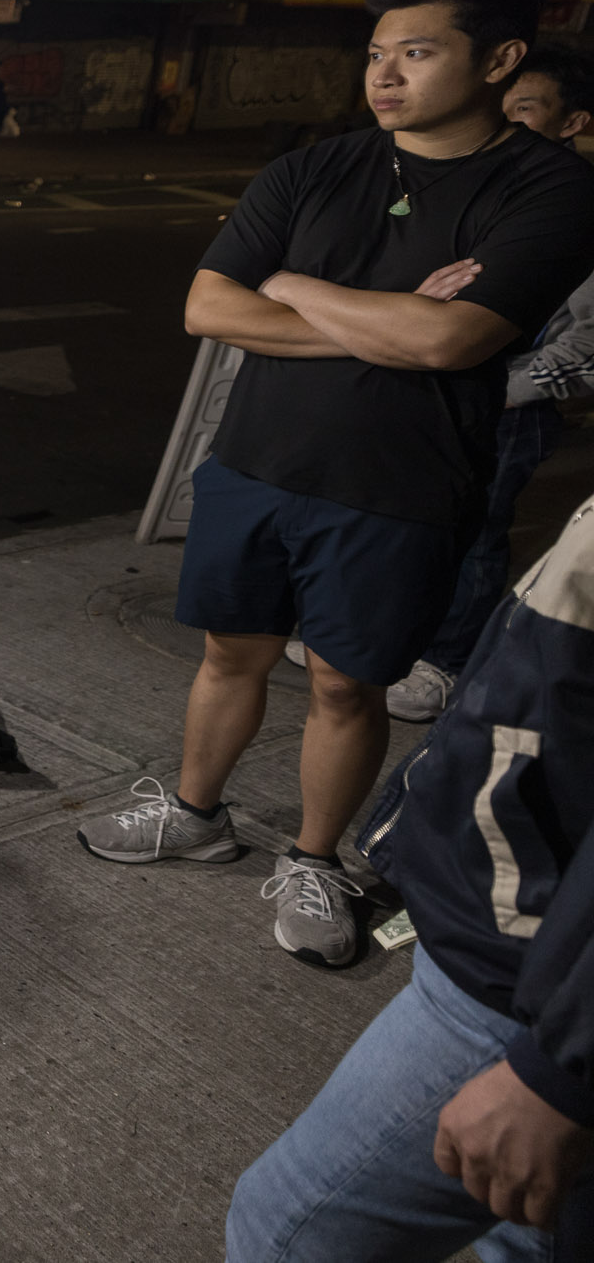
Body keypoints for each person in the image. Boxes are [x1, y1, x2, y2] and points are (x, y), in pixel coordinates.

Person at [74, 0, 594, 968]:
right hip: (256, 463)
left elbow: (452, 344)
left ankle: (315, 858)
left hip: (398, 485)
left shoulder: (548, 187)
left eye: (416, 50)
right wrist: (384, 320)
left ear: (499, 60)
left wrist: (291, 283)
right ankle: (194, 812)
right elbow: (208, 307)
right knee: (229, 654)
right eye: (374, 53)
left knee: (346, 688)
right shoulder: (315, 168)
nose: (384, 74)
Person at [224, 496, 594, 1261]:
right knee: (526, 1236)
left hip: (532, 971)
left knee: (290, 1232)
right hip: (523, 921)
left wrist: (564, 1072)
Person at [389, 46, 594, 722]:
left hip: (507, 403)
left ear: (573, 123)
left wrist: (508, 388)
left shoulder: (575, 208)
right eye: (497, 109)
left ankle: (444, 664)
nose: (503, 123)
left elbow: (588, 342)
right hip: (436, 389)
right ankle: (393, 642)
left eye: (525, 111)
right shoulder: (488, 189)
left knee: (475, 533)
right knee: (414, 520)